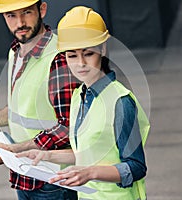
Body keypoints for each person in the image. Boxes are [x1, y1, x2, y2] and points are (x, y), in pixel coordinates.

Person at [16, 6, 150, 200]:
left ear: (102, 49)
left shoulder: (120, 102)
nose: (80, 63)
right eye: (71, 55)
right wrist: (46, 156)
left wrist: (89, 173)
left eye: (88, 54)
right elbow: (86, 154)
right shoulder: (79, 95)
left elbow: (136, 166)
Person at [0, 0, 79, 199]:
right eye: (11, 16)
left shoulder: (58, 58)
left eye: (26, 12)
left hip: (54, 181)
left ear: (42, 10)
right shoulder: (16, 51)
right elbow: (21, 110)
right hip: (24, 174)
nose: (20, 23)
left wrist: (12, 150)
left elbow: (66, 128)